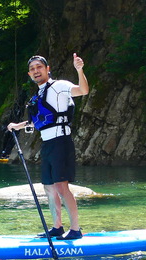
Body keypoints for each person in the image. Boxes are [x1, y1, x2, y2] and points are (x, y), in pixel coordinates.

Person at [7, 53, 90, 240]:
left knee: (61, 186)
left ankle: (76, 229)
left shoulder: (60, 86)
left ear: (47, 69)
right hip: (47, 144)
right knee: (49, 187)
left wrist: (79, 70)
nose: (36, 71)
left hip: (61, 142)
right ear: (29, 74)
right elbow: (38, 122)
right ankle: (57, 227)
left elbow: (83, 90)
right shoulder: (38, 95)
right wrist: (17, 126)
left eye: (39, 67)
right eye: (32, 69)